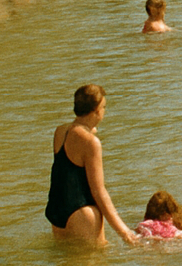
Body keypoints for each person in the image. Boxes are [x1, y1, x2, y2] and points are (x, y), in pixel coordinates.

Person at [44, 84, 138, 246]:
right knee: (96, 260)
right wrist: (124, 232)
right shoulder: (91, 143)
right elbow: (98, 191)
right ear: (96, 111)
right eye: (104, 107)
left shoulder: (60, 131)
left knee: (65, 258)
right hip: (82, 214)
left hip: (57, 212)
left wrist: (90, 129)